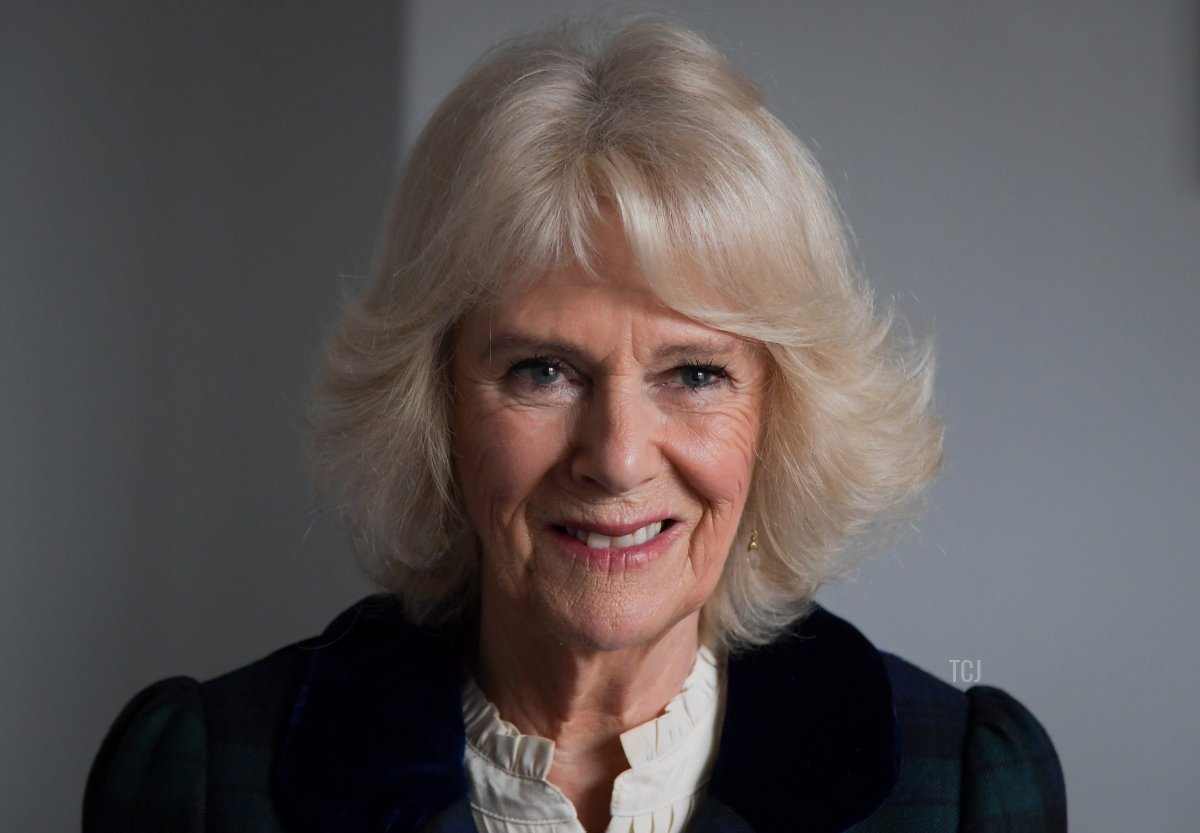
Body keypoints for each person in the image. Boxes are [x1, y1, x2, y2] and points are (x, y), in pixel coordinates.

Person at [84, 15, 1066, 833]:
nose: (618, 457)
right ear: (434, 402)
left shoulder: (967, 787)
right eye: (542, 370)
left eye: (693, 372)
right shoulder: (204, 779)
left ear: (781, 414)